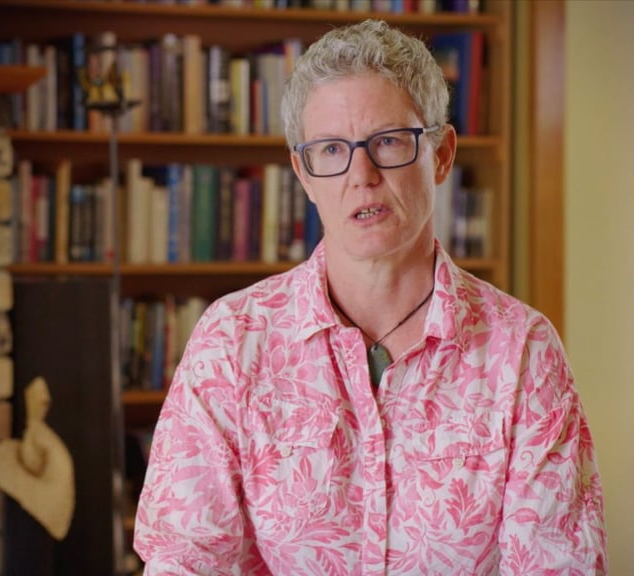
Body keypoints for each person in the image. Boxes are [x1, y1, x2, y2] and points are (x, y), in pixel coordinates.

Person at [134, 19, 607, 575]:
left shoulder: (522, 351)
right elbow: (185, 559)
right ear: (304, 174)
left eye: (388, 141)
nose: (362, 175)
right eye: (332, 149)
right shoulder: (232, 341)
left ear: (441, 155)